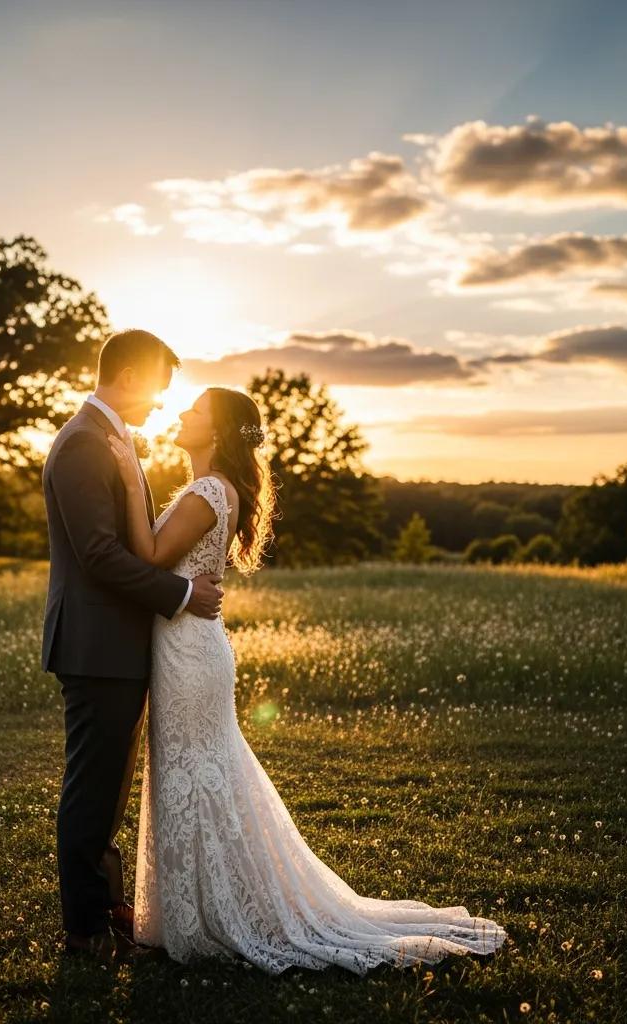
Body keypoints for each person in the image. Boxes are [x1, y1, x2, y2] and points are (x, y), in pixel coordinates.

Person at [106, 385, 509, 975]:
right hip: (186, 650)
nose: (182, 414)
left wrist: (125, 472)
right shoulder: (211, 489)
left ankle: (223, 914)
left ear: (215, 432)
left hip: (190, 656)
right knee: (193, 773)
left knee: (200, 775)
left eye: (195, 410)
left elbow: (146, 555)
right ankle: (197, 910)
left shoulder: (208, 491)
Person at [40, 329, 224, 962]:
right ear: (126, 374)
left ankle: (104, 904)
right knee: (91, 789)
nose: (160, 406)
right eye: (156, 390)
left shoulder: (110, 441)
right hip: (95, 647)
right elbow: (97, 554)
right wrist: (178, 594)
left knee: (109, 786)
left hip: (115, 646)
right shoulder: (84, 445)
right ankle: (84, 931)